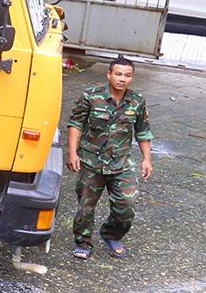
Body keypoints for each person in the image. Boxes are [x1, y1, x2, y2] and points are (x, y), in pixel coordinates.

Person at [66, 56, 154, 260]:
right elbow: (75, 124)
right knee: (85, 208)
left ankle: (111, 234)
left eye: (127, 75)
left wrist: (146, 159)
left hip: (121, 164)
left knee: (127, 205)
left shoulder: (137, 101)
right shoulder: (91, 96)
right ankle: (83, 242)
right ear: (109, 74)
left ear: (131, 78)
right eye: (118, 74)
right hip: (91, 162)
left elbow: (143, 132)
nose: (122, 79)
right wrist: (72, 152)